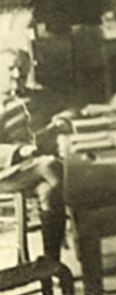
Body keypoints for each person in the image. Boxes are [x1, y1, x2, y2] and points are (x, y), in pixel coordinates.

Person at [0, 48, 67, 260]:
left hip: (39, 169)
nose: (17, 75)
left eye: (22, 68)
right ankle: (80, 224)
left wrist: (63, 120)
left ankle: (51, 262)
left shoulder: (40, 95)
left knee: (49, 191)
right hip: (8, 173)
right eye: (11, 68)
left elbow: (68, 109)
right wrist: (20, 151)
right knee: (49, 166)